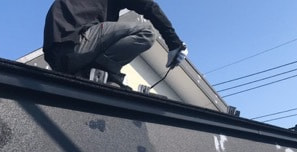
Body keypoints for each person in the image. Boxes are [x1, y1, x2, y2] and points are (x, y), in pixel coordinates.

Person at [43, 0, 188, 89]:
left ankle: (86, 72)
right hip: (75, 44)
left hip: (58, 60)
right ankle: (100, 72)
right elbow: (149, 6)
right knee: (147, 32)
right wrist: (174, 43)